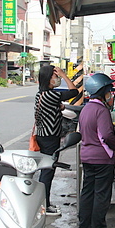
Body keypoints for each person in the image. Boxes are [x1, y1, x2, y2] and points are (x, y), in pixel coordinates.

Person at [77, 73, 115, 228]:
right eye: (109, 90)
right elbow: (107, 135)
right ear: (102, 92)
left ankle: (83, 226)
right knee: (101, 194)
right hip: (102, 159)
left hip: (87, 157)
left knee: (87, 192)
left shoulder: (86, 108)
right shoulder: (101, 110)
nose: (110, 94)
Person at [34, 64, 78, 215]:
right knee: (48, 172)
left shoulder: (41, 95)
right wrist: (65, 75)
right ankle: (44, 205)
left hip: (43, 136)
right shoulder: (50, 95)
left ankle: (42, 202)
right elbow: (74, 91)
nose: (57, 79)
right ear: (48, 78)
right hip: (49, 138)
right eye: (55, 76)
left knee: (46, 171)